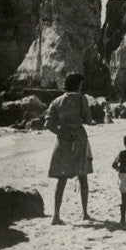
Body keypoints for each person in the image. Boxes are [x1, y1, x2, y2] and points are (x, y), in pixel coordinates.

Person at [46, 72, 94, 224]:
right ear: (78, 85)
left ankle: (56, 215)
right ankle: (85, 213)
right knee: (83, 176)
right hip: (79, 138)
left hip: (63, 140)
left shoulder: (55, 101)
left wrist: (61, 132)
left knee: (61, 179)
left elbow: (48, 124)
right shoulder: (82, 99)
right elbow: (88, 120)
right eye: (81, 84)